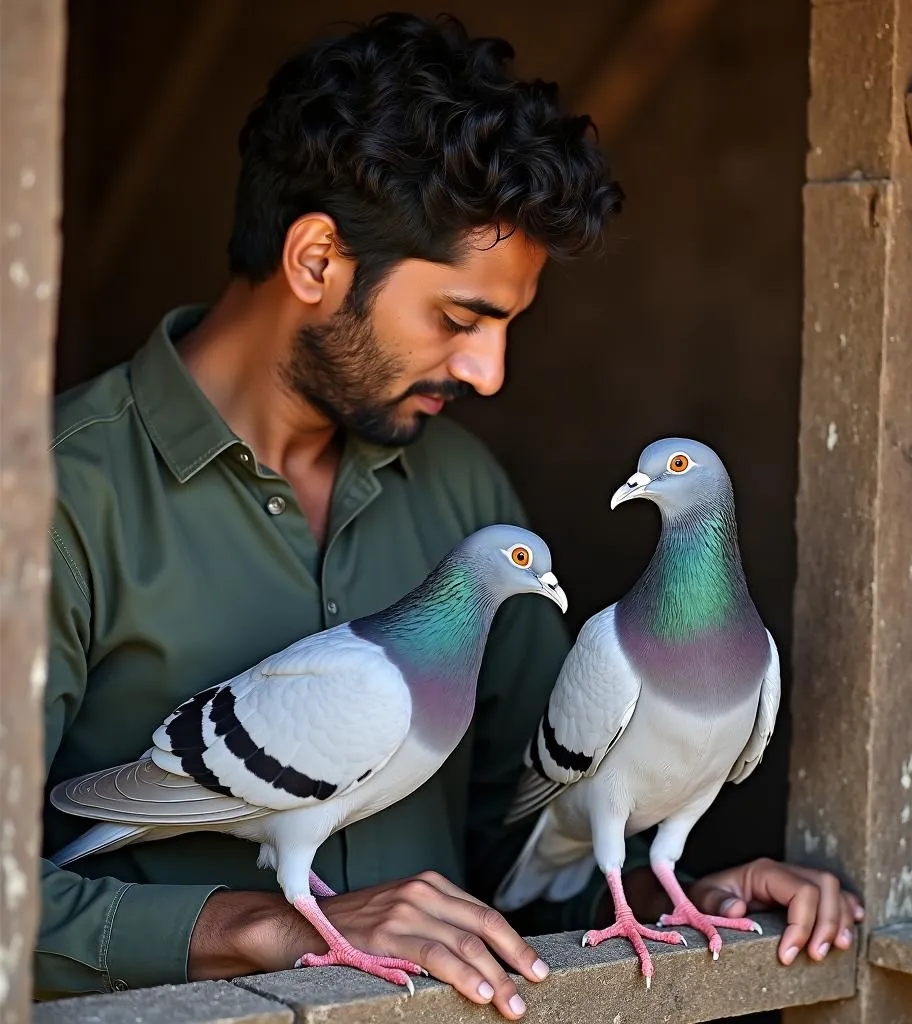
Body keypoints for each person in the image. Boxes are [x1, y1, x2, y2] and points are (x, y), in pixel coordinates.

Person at [38, 13, 862, 1020]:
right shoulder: (53, 496)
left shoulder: (465, 493)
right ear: (313, 262)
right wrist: (267, 925)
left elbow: (520, 837)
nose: (487, 371)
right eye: (459, 318)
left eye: (504, 326)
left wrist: (676, 897)